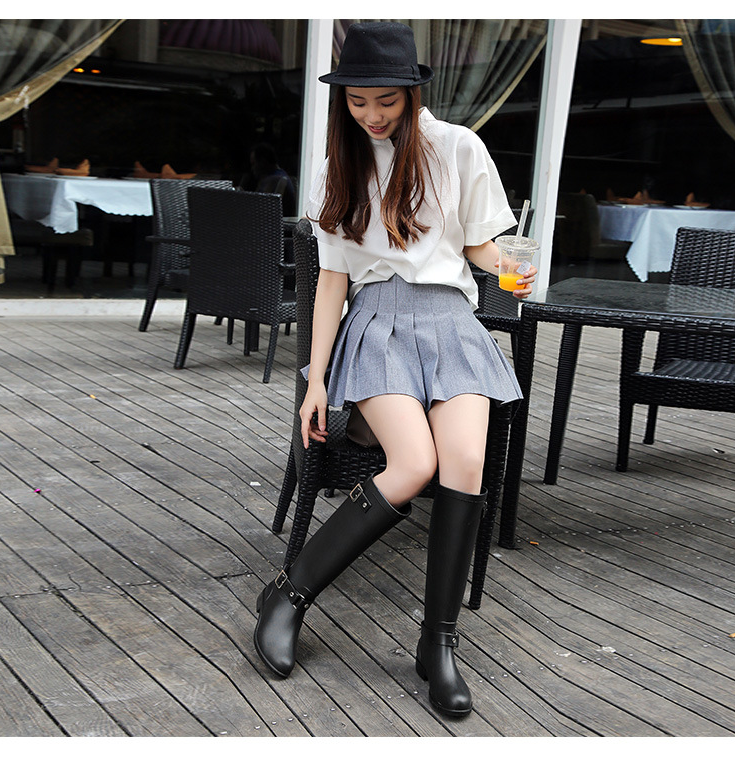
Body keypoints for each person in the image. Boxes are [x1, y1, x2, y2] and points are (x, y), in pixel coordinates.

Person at [253, 21, 536, 718]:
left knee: (465, 460)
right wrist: (316, 380)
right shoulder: (338, 166)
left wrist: (510, 267)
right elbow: (331, 281)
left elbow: (479, 244)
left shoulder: (458, 147)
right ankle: (289, 593)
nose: (372, 115)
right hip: (378, 321)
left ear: (412, 93)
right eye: (357, 102)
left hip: (451, 322)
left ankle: (437, 643)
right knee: (412, 463)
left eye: (386, 101)